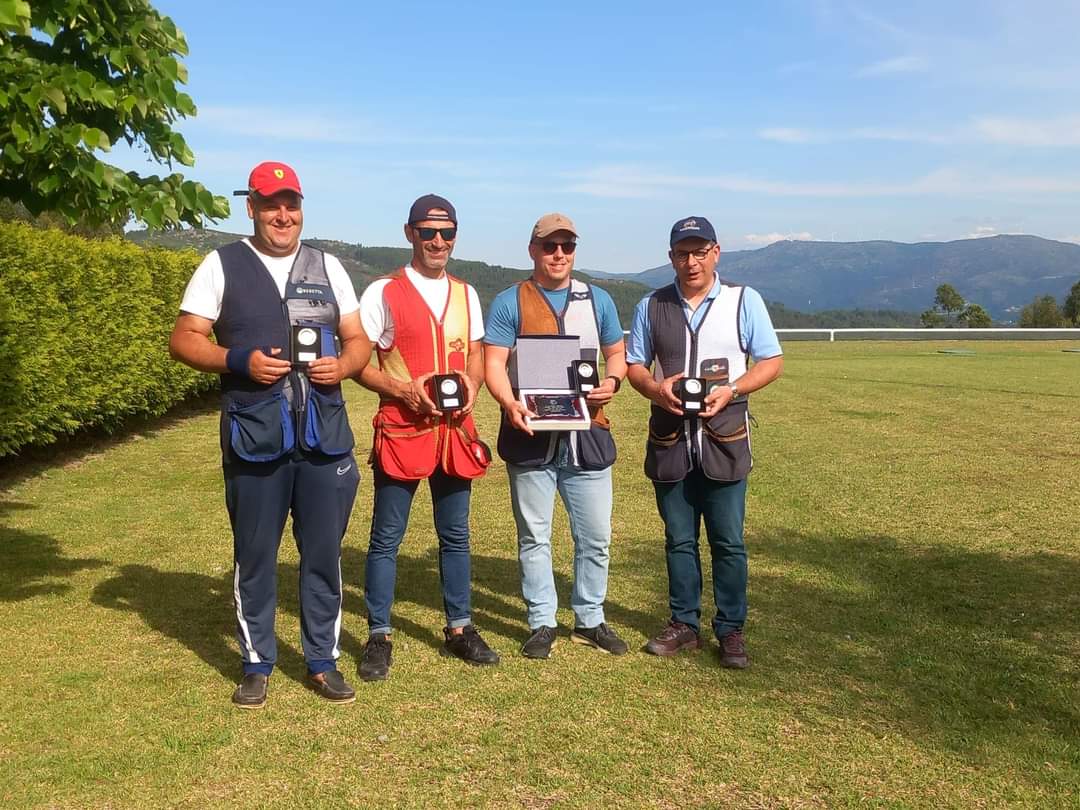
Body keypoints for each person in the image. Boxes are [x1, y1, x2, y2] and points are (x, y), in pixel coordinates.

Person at [169, 161, 369, 708]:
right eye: (271, 203)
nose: (283, 215)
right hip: (255, 436)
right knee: (255, 555)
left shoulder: (328, 266)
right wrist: (238, 360)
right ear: (251, 207)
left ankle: (322, 663)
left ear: (301, 209)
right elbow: (184, 339)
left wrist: (345, 366)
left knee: (324, 556)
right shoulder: (221, 264)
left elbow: (358, 340)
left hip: (323, 438)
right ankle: (256, 662)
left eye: (292, 203)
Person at [625, 216, 783, 668]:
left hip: (725, 438)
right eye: (682, 253)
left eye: (699, 251)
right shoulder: (651, 305)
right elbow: (636, 365)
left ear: (716, 252)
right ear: (670, 256)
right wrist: (657, 390)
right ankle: (684, 624)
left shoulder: (742, 300)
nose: (691, 261)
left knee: (728, 541)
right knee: (678, 539)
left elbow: (771, 360)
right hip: (671, 438)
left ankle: (731, 630)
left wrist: (732, 390)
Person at [355, 194, 497, 681]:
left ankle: (460, 627)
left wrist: (474, 386)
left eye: (447, 232)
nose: (438, 241)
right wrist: (402, 390)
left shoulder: (466, 293)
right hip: (404, 429)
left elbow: (476, 355)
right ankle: (379, 634)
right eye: (428, 231)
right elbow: (357, 364)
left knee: (456, 536)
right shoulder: (382, 292)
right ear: (409, 233)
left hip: (455, 434)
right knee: (386, 538)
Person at [484, 213, 629, 659]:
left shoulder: (598, 299)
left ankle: (589, 619)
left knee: (596, 537)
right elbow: (493, 363)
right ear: (533, 250)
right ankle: (542, 621)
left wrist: (615, 381)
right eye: (550, 246)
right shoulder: (510, 301)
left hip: (587, 438)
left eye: (567, 246)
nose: (559, 254)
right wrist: (510, 405)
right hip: (531, 437)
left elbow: (616, 353)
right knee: (534, 537)